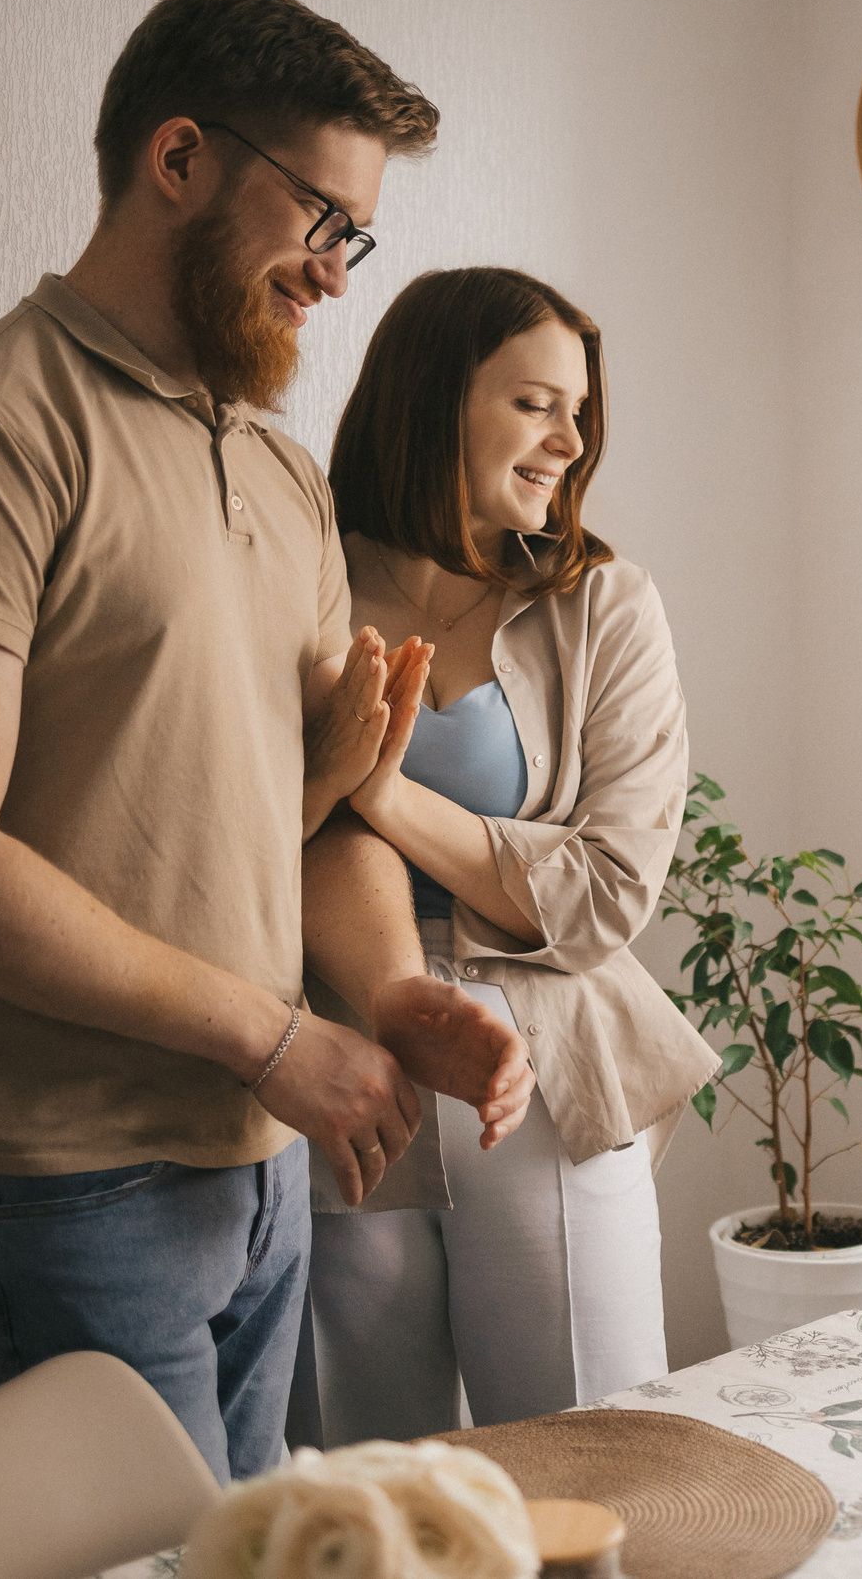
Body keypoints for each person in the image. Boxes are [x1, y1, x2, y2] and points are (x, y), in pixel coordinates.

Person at [0, 0, 532, 1484]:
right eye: (321, 220)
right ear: (179, 158)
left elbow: (315, 807)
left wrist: (393, 995)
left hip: (263, 1157)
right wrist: (277, 1035)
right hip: (62, 1175)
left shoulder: (280, 474)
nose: (337, 275)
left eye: (360, 237)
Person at [289, 267, 720, 1443]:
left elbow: (608, 893)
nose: (572, 441)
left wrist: (380, 792)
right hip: (337, 1058)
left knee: (596, 1456)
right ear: (435, 401)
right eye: (537, 404)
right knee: (370, 1479)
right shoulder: (302, 580)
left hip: (543, 1069)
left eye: (580, 412)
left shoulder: (605, 606)